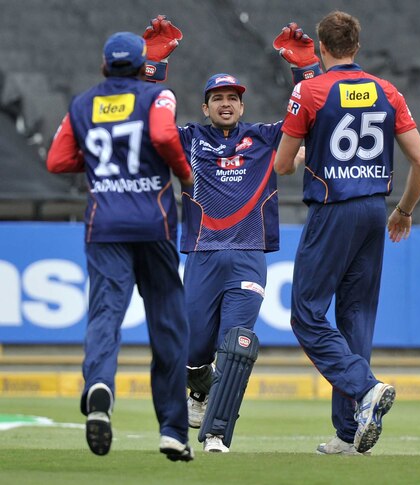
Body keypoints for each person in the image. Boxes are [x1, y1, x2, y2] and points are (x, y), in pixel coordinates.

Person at [139, 17, 321, 453]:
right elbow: (147, 122)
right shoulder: (187, 139)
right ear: (205, 107)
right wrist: (151, 65)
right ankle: (199, 392)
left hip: (248, 254)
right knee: (191, 351)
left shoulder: (264, 138)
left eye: (232, 99)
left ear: (242, 106)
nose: (225, 104)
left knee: (236, 346)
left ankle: (218, 433)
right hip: (201, 255)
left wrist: (307, 69)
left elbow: (316, 116)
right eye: (217, 98)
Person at [273, 11, 420, 455]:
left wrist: (310, 149)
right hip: (373, 212)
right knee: (356, 319)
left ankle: (365, 389)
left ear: (322, 48)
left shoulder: (309, 90)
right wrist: (403, 210)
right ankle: (349, 432)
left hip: (332, 210)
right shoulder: (387, 91)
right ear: (357, 47)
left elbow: (282, 165)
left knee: (306, 313)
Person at [45, 32, 194, 461]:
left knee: (106, 313)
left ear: (105, 65)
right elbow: (166, 138)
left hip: (105, 224)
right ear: (142, 65)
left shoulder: (82, 104)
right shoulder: (158, 96)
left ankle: (99, 386)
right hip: (155, 224)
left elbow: (56, 160)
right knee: (167, 323)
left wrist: (96, 164)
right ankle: (172, 429)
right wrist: (183, 174)